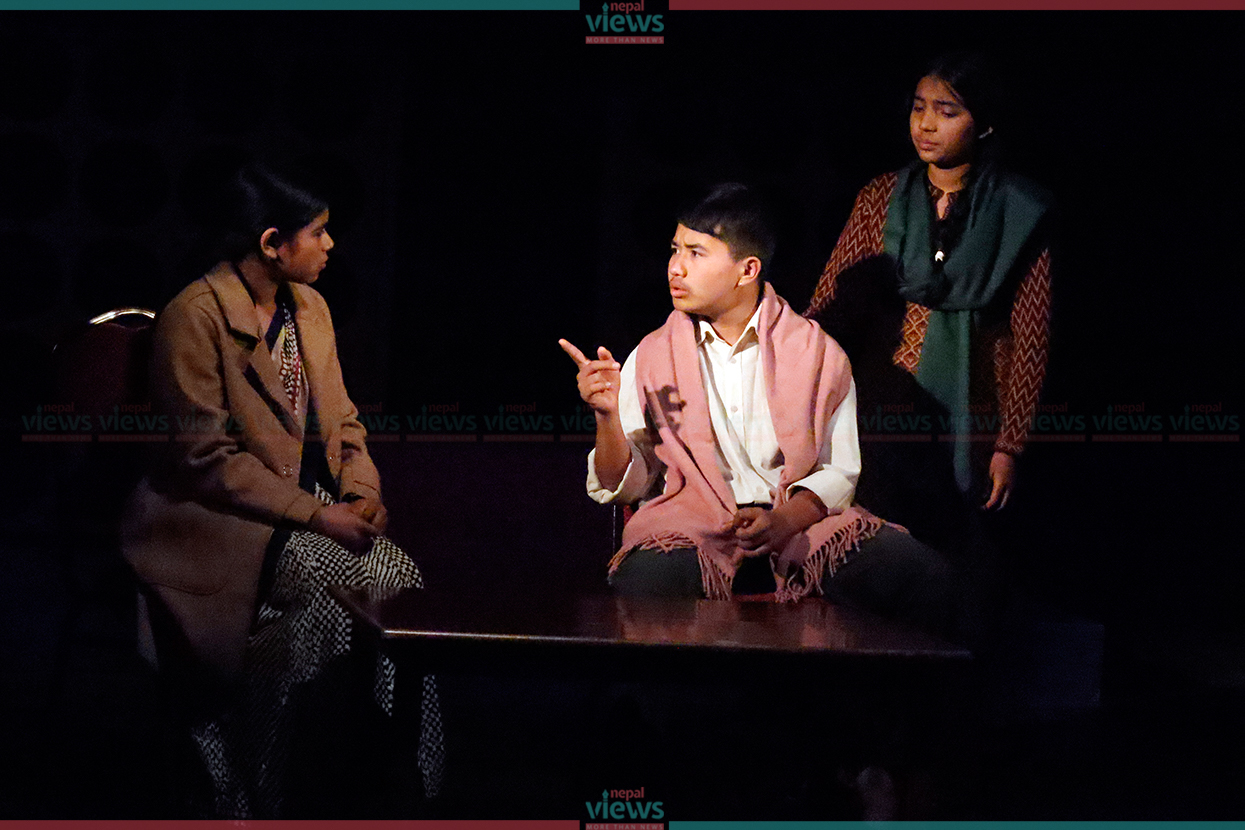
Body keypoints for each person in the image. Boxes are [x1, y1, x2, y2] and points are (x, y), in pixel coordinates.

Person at [122, 164, 442, 817]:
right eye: (318, 232)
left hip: (299, 517)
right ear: (272, 243)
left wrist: (359, 491)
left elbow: (343, 422)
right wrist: (318, 518)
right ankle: (269, 789)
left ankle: (408, 783)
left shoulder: (310, 309)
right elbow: (204, 458)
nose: (330, 245)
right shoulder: (196, 316)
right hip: (213, 520)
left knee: (397, 582)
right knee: (327, 595)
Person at [559, 183, 954, 635]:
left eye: (695, 253)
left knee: (924, 579)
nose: (675, 268)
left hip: (798, 521)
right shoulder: (651, 356)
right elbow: (623, 484)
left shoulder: (817, 354)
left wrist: (783, 520)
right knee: (646, 584)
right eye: (674, 250)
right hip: (690, 521)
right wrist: (606, 415)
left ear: (747, 270)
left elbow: (838, 470)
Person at [807, 53, 1053, 513]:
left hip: (974, 407)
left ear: (984, 124)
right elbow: (829, 305)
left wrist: (1010, 445)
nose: (926, 124)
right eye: (919, 108)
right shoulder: (881, 197)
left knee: (957, 533)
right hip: (881, 400)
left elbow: (1031, 338)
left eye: (947, 112)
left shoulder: (1016, 212)